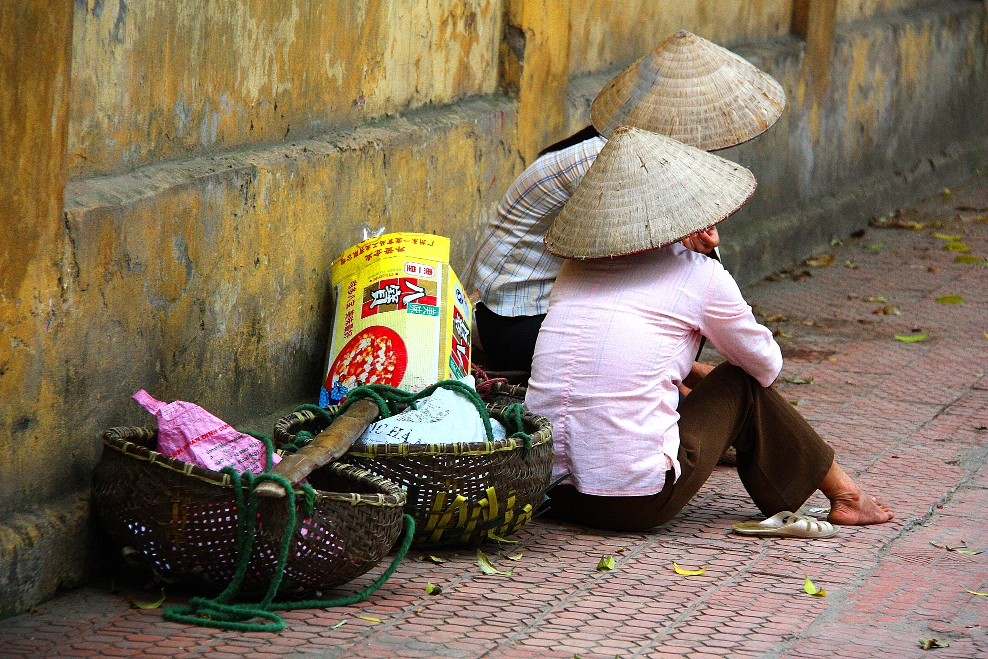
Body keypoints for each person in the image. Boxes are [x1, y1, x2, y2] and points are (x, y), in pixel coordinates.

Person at [526, 126, 893, 533]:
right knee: (740, 382)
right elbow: (766, 365)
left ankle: (844, 493)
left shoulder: (574, 268)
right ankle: (847, 495)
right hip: (632, 503)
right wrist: (713, 266)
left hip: (545, 493)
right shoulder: (698, 275)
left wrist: (693, 369)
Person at [466, 30, 785, 372]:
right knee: (687, 281)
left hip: (543, 316)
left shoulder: (640, 152)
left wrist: (704, 249)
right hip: (515, 323)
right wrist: (703, 255)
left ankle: (678, 378)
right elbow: (664, 274)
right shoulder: (610, 162)